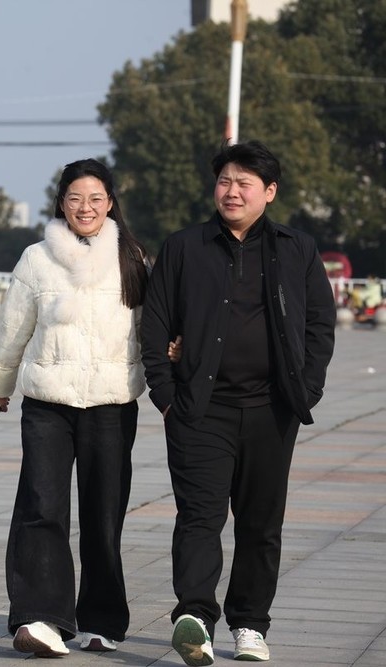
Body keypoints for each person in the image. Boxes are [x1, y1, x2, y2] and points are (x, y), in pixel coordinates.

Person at [141, 141, 336, 665]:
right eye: (225, 181)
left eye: (244, 183)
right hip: (199, 409)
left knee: (260, 524)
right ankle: (195, 618)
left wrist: (306, 390)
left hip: (273, 410)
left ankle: (249, 623)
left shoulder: (297, 248)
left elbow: (320, 323)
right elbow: (154, 323)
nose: (231, 191)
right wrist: (166, 396)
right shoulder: (184, 247)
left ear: (269, 192)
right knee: (199, 517)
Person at [0, 158, 152, 658]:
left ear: (110, 203)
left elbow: (148, 327)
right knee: (41, 507)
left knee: (104, 513)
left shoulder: (131, 257)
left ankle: (102, 618)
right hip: (47, 402)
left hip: (111, 403)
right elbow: (14, 327)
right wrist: (1, 383)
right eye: (76, 198)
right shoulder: (37, 258)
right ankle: (42, 618)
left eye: (96, 199)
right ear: (61, 202)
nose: (86, 207)